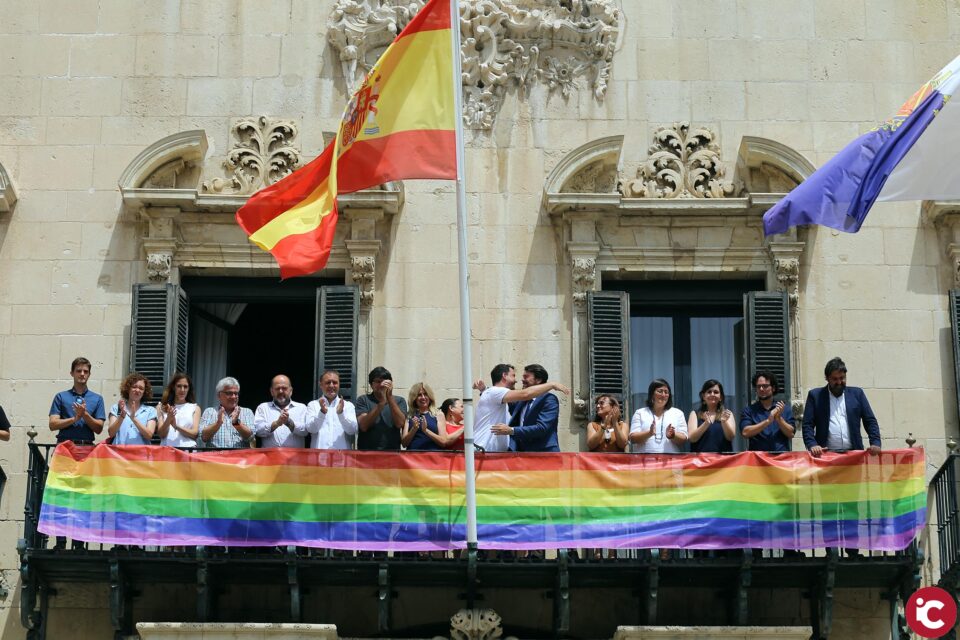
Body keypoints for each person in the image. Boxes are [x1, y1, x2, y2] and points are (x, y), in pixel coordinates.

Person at [473, 364, 570, 453]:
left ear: (538, 380)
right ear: (504, 376)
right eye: (514, 376)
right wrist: (485, 391)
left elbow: (542, 428)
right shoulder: (521, 400)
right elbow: (496, 398)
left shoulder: (549, 399)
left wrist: (512, 430)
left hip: (544, 454)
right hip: (522, 455)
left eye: (526, 377)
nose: (520, 380)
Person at [802, 357, 881, 458]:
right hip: (825, 457)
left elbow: (870, 421)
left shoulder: (857, 394)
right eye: (835, 379)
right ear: (827, 378)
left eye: (842, 378)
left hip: (854, 457)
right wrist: (812, 444)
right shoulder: (815, 396)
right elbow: (807, 425)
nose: (839, 382)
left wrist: (875, 442)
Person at [48, 356, 106, 445]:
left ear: (89, 374)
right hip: (64, 447)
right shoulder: (61, 396)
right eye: (78, 371)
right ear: (72, 373)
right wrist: (75, 419)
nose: (82, 374)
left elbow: (99, 429)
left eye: (86, 371)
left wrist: (84, 414)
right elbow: (52, 424)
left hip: (87, 448)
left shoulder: (97, 398)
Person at [628, 379, 688, 454]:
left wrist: (673, 435)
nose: (663, 395)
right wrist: (649, 433)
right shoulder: (640, 413)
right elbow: (633, 438)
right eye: (660, 391)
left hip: (671, 463)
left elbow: (683, 439)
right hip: (644, 463)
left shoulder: (678, 413)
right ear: (652, 394)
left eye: (666, 392)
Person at [355, 367, 407, 451]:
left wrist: (389, 398)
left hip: (392, 454)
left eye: (385, 381)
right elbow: (363, 426)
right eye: (378, 382)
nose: (382, 385)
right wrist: (382, 403)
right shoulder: (363, 400)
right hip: (366, 455)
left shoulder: (399, 401)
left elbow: (400, 423)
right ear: (371, 385)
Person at [740, 371, 795, 452]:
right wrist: (768, 421)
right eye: (758, 386)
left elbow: (791, 434)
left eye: (765, 386)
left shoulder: (785, 409)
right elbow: (745, 432)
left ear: (773, 388)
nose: (761, 389)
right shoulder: (749, 410)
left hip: (781, 459)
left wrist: (779, 418)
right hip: (757, 460)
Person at [305, 370, 358, 450]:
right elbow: (311, 429)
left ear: (339, 384)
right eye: (328, 382)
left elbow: (352, 430)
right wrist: (322, 413)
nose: (331, 385)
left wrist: (341, 414)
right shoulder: (313, 405)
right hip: (319, 457)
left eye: (335, 382)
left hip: (342, 458)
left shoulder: (348, 406)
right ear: (321, 385)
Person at [198, 376, 255, 448]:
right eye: (229, 393)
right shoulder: (210, 412)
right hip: (215, 458)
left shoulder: (247, 412)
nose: (234, 396)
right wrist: (218, 423)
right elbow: (203, 437)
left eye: (236, 393)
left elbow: (251, 437)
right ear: (219, 395)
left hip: (239, 457)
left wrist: (236, 424)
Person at [254, 374, 308, 448]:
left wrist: (289, 423)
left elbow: (306, 431)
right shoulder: (263, 407)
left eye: (284, 388)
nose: (281, 391)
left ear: (291, 391)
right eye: (277, 388)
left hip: (295, 458)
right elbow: (257, 431)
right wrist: (276, 424)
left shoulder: (301, 408)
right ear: (271, 391)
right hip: (270, 458)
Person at [107, 373, 157, 446]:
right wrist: (122, 416)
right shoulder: (116, 408)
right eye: (134, 387)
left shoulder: (151, 411)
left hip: (140, 455)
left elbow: (149, 435)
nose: (137, 390)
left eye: (141, 388)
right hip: (119, 454)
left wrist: (133, 418)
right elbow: (111, 433)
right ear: (128, 389)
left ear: (144, 392)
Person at [687, 379, 735, 454]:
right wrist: (706, 423)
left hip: (724, 462)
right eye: (709, 392)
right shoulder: (695, 414)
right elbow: (692, 438)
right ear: (703, 396)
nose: (712, 394)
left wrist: (724, 422)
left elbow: (730, 437)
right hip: (700, 462)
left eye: (716, 392)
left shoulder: (727, 414)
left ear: (721, 397)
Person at [156, 372, 200, 448]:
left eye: (185, 387)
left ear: (189, 389)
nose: (182, 390)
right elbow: (161, 434)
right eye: (179, 386)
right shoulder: (161, 407)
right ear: (173, 387)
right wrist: (168, 419)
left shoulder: (195, 408)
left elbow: (195, 434)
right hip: (167, 450)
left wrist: (176, 426)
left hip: (187, 451)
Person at [402, 382, 446, 451]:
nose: (423, 397)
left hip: (433, 458)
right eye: (419, 395)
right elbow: (404, 444)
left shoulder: (438, 414)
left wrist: (426, 431)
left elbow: (443, 442)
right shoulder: (410, 415)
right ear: (414, 398)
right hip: (412, 459)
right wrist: (414, 429)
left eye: (425, 394)